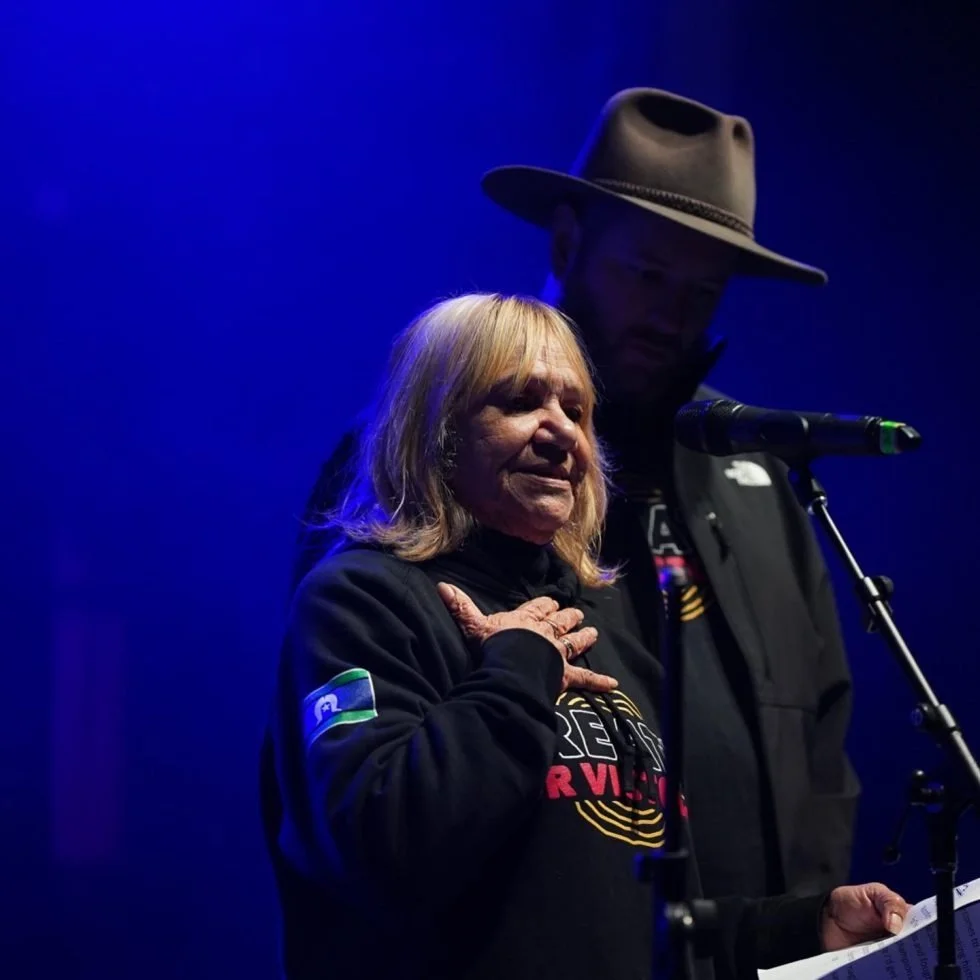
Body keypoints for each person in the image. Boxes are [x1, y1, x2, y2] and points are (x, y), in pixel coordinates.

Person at [292, 88, 860, 902]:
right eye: (649, 273)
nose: (672, 314)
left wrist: (807, 928)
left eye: (701, 292)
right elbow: (347, 788)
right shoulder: (414, 463)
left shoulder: (756, 474)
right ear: (567, 242)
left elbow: (823, 725)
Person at [261, 293, 905, 980]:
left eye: (577, 410)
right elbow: (376, 849)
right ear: (436, 429)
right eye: (518, 401)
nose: (561, 431)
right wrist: (515, 669)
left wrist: (802, 928)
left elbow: (646, 925)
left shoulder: (599, 621)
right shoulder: (362, 599)